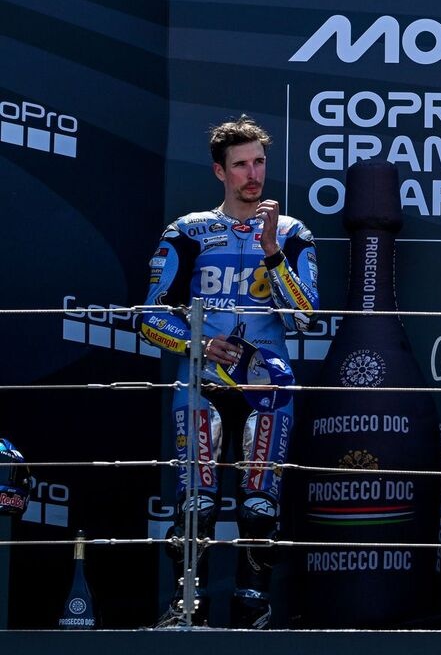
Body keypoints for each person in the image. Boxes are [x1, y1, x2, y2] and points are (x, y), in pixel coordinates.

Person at [137, 116, 318, 628]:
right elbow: (149, 316)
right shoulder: (188, 231)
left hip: (268, 386)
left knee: (261, 509)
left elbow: (305, 316)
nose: (252, 174)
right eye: (241, 165)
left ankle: (251, 609)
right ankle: (185, 608)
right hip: (203, 382)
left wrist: (271, 251)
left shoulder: (292, 233)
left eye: (259, 162)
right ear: (220, 171)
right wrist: (198, 343)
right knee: (195, 504)